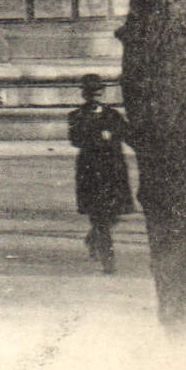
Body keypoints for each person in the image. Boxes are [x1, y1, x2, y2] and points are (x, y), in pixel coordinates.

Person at [68, 74, 135, 274]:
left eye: (98, 93)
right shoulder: (76, 116)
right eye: (91, 93)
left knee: (114, 213)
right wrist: (97, 136)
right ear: (84, 94)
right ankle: (109, 260)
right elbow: (75, 139)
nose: (95, 97)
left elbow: (126, 133)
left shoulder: (113, 115)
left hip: (113, 169)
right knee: (99, 216)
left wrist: (113, 135)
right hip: (90, 169)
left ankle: (93, 237)